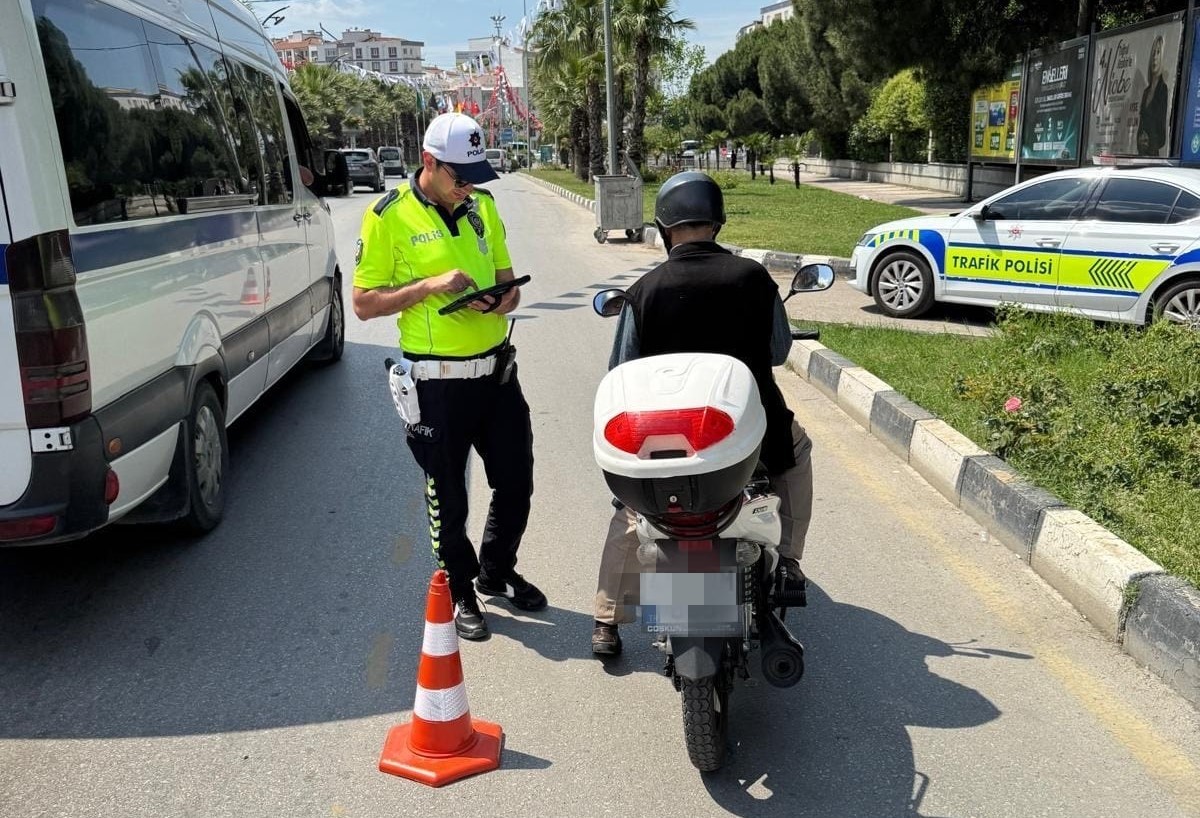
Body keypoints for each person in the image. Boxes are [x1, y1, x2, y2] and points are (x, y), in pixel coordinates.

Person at [591, 171, 814, 656]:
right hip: (744, 430)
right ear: (717, 222)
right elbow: (777, 352)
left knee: (633, 507)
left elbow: (621, 369)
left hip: (664, 435)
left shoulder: (644, 290)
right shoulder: (753, 277)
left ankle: (607, 619)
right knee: (794, 456)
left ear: (664, 226)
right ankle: (791, 560)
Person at [352, 112, 546, 641]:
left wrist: (504, 298)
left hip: (496, 375)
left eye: (474, 177)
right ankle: (460, 587)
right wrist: (429, 285)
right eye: (459, 177)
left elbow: (510, 283)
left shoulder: (483, 206)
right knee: (448, 494)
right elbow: (364, 304)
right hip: (438, 385)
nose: (468, 188)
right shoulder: (387, 215)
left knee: (516, 481)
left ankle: (496, 571)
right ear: (428, 163)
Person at [1137, 35, 1169, 157]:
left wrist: (1149, 141)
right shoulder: (1146, 92)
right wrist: (1140, 139)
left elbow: (1162, 133)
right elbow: (1141, 124)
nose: (1155, 58)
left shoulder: (1162, 90)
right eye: (1153, 53)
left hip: (1152, 155)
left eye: (1158, 53)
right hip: (1141, 153)